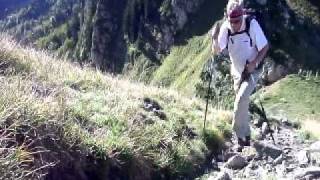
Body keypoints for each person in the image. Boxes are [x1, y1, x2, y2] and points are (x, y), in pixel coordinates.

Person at [212, 0, 269, 151]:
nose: (234, 25)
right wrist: (214, 39)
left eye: (237, 21)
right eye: (231, 21)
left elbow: (265, 47)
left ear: (242, 16)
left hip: (252, 71)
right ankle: (247, 138)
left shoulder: (252, 24)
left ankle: (238, 139)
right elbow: (217, 50)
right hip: (236, 72)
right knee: (242, 103)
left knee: (240, 100)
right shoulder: (226, 27)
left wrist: (254, 63)